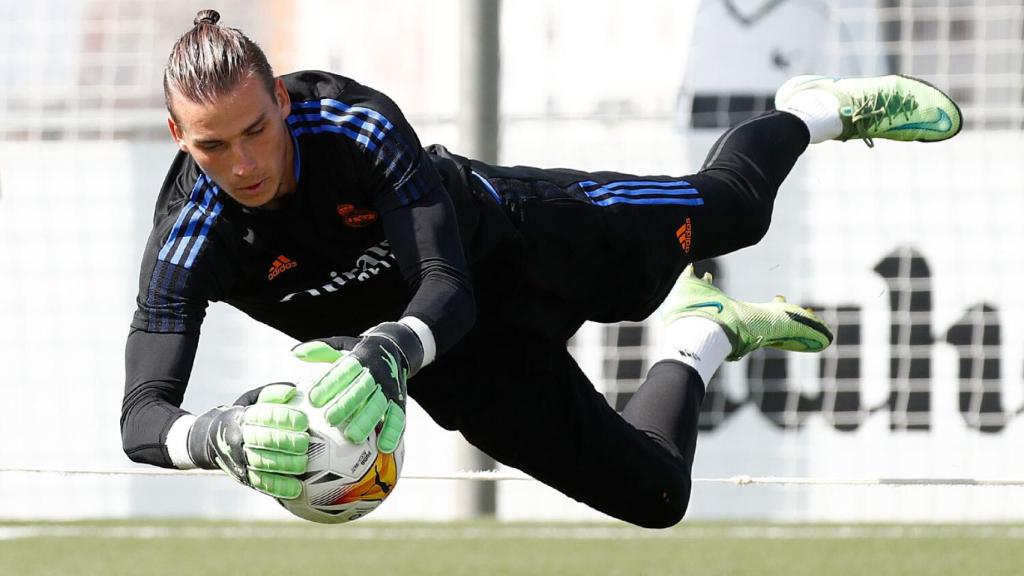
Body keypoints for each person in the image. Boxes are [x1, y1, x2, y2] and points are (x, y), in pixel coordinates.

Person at [121, 9, 962, 528]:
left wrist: (388, 350)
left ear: (282, 102)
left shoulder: (355, 123)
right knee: (658, 497)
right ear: (178, 138)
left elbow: (443, 285)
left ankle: (817, 110)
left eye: (256, 130)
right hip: (465, 367)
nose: (242, 162)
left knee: (735, 211)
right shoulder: (189, 235)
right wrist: (215, 437)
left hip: (518, 239)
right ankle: (703, 337)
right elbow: (141, 417)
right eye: (212, 145)